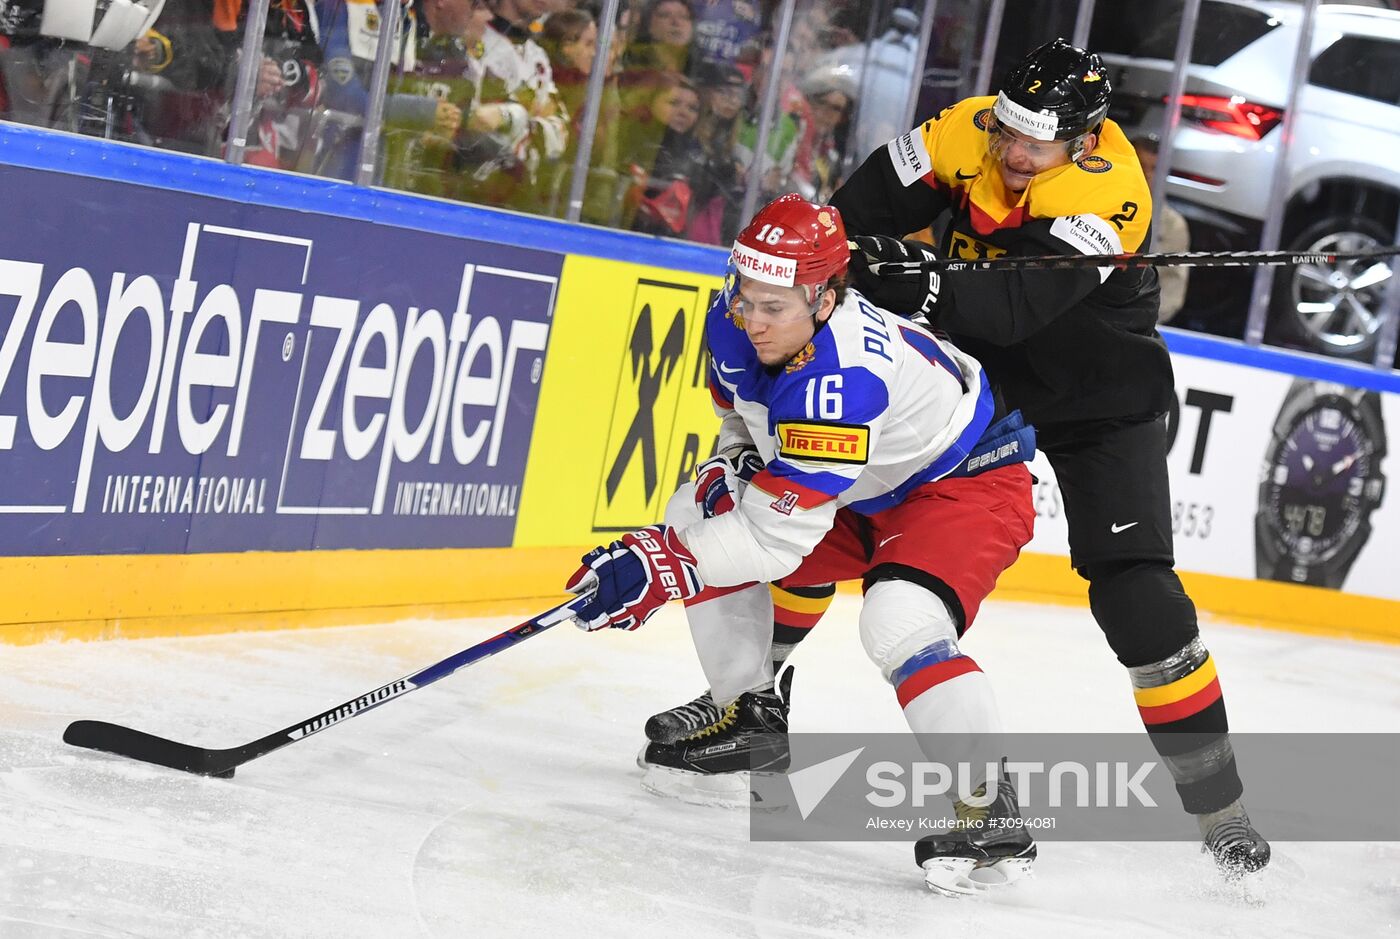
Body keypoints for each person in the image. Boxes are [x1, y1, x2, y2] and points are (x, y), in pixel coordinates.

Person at [823, 38, 1267, 876]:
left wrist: (912, 276)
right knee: (828, 497)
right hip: (978, 392)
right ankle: (752, 705)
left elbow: (1014, 307)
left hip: (1098, 404)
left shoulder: (1114, 190)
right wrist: (825, 259)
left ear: (1087, 141)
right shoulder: (967, 128)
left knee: (1139, 602)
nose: (1013, 153)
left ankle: (1221, 810)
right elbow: (854, 212)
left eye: (1037, 143)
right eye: (1007, 134)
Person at [565, 194, 1041, 895]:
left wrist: (660, 565)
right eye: (745, 296)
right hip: (861, 481)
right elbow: (741, 427)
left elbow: (774, 542)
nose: (753, 320)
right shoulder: (730, 327)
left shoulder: (842, 379)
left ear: (825, 299)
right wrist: (736, 468)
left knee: (899, 619)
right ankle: (750, 718)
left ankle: (988, 804)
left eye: (775, 306)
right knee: (701, 503)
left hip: (961, 481)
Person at [1133, 133, 1190, 323]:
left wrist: (1138, 321)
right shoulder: (1094, 205)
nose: (1147, 174)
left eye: (1154, 168)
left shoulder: (1173, 225)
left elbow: (1172, 289)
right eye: (1140, 165)